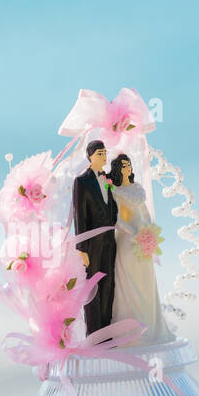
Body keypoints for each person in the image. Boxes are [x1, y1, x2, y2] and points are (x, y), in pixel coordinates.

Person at [108, 152, 173, 345]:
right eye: (123, 166)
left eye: (129, 165)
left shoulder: (137, 189)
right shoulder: (116, 191)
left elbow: (144, 214)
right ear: (118, 170)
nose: (127, 168)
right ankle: (131, 333)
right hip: (128, 243)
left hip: (144, 242)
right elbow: (118, 219)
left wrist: (149, 232)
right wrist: (134, 233)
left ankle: (150, 326)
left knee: (146, 284)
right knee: (129, 287)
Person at [71, 140, 118, 335]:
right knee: (92, 286)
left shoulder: (108, 179)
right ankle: (94, 333)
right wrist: (81, 248)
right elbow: (79, 215)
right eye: (100, 153)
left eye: (105, 153)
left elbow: (112, 204)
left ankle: (106, 331)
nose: (104, 157)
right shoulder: (81, 181)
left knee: (109, 283)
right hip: (91, 243)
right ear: (90, 156)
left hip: (109, 239)